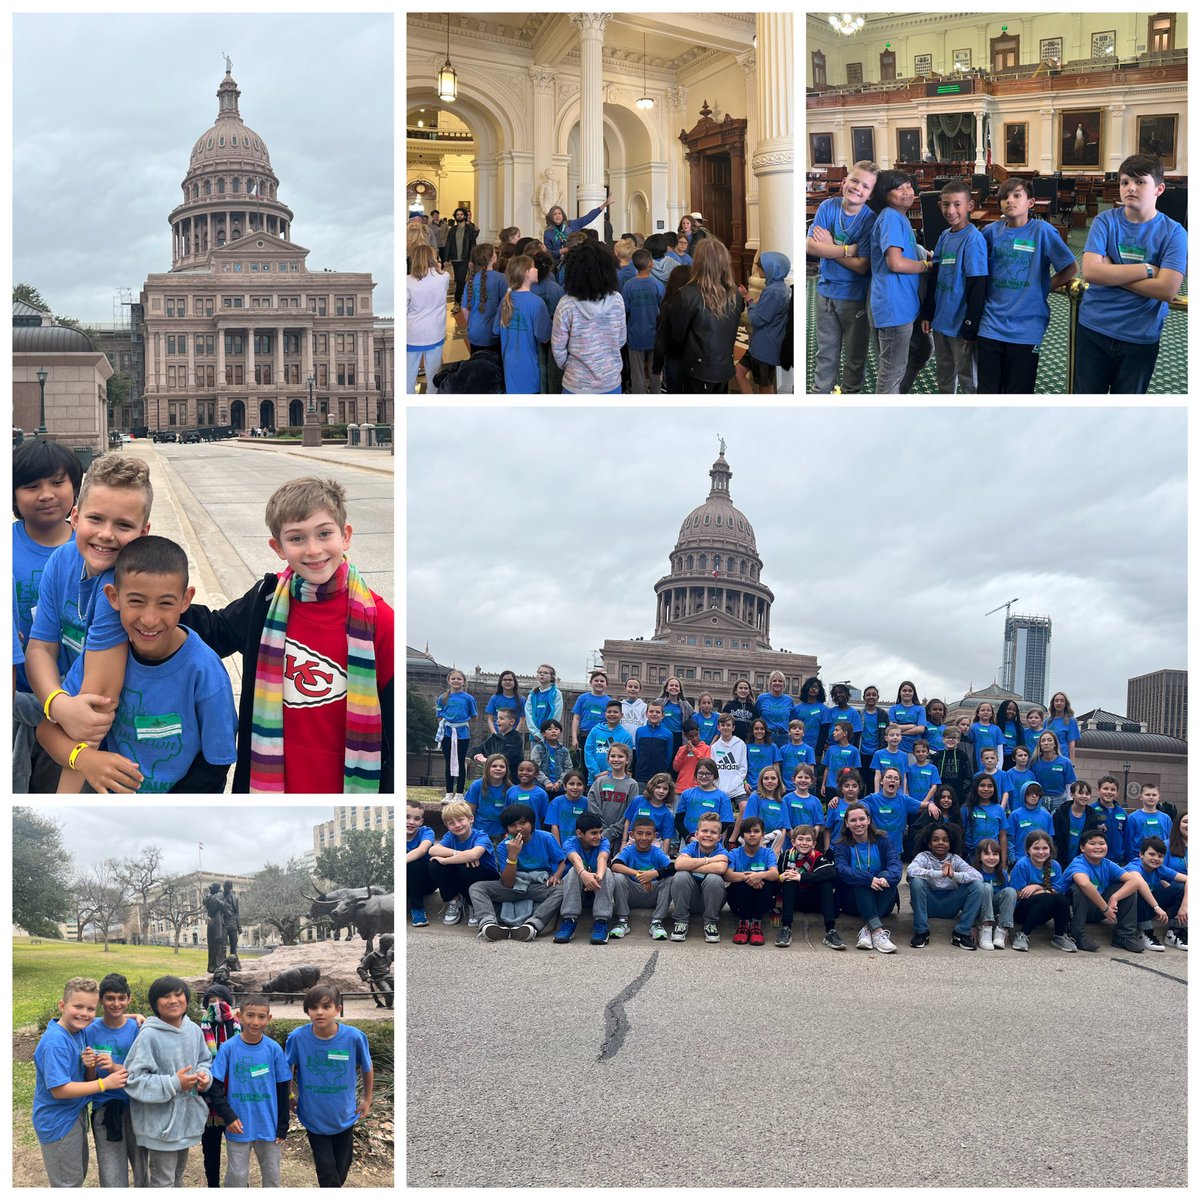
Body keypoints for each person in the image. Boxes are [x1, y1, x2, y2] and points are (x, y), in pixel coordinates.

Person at [179, 477, 393, 793]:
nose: (313, 549)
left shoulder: (379, 620)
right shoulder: (265, 602)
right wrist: (158, 600)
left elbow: (393, 723)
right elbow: (216, 631)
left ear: (345, 536)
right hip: (269, 782)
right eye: (297, 538)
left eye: (324, 534)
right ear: (278, 547)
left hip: (344, 785)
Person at [37, 537, 237, 794]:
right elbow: (46, 731)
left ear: (185, 600)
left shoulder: (204, 670)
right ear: (113, 597)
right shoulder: (100, 658)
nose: (150, 619)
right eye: (136, 601)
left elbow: (217, 761)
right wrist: (84, 759)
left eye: (165, 603)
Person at [25, 455, 154, 793]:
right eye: (95, 519)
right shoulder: (62, 560)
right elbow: (40, 647)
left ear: (144, 533)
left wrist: (66, 794)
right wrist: (57, 702)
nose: (106, 535)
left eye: (123, 525)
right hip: (67, 713)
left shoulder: (124, 589)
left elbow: (96, 710)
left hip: (120, 739)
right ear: (75, 516)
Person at [1076, 153, 1187, 393]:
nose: (1130, 188)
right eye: (1125, 182)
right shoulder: (1104, 221)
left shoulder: (1175, 233)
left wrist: (1110, 272)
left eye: (1140, 182)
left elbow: (1166, 290)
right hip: (1094, 329)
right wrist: (1147, 270)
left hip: (1139, 336)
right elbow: (1091, 272)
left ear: (1159, 189)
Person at [12, 438, 83, 793]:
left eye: (57, 482)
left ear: (75, 488)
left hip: (76, 705)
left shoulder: (93, 548)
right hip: (18, 697)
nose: (46, 495)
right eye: (31, 486)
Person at [124, 975, 234, 1188]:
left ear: (187, 999)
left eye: (178, 995)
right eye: (166, 996)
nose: (173, 1000)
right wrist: (174, 1083)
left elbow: (204, 1060)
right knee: (163, 1180)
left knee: (177, 1175)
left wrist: (204, 1076)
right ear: (155, 1003)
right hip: (160, 1124)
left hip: (185, 1120)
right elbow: (134, 1079)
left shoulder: (193, 1030)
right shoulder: (148, 1036)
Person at [976, 178, 1077, 392]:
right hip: (990, 323)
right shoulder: (991, 232)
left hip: (1026, 327)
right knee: (987, 391)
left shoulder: (1042, 231)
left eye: (1016, 196)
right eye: (1004, 197)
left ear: (1030, 203)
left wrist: (1042, 288)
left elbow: (1070, 267)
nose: (1009, 201)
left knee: (1019, 392)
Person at [35, 977, 127, 1187]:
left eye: (90, 1008)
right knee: (68, 1184)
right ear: (62, 1005)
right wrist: (105, 1084)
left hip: (74, 1116)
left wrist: (134, 1016)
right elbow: (59, 1090)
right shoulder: (55, 1042)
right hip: (58, 1122)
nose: (84, 1013)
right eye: (78, 1007)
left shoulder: (78, 1030)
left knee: (77, 1176)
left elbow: (103, 1019)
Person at [284, 984, 373, 1188]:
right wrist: (289, 1095)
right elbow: (287, 1067)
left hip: (345, 1115)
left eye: (326, 1006)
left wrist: (367, 1099)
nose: (319, 1012)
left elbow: (367, 1067)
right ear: (307, 1010)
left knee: (342, 1165)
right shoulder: (297, 1038)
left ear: (338, 1009)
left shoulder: (354, 1037)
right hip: (313, 1116)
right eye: (314, 1007)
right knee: (326, 1169)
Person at [807, 158, 878, 392]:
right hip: (825, 292)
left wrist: (830, 247)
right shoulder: (828, 206)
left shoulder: (870, 220)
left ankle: (850, 398)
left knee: (855, 357)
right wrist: (848, 250)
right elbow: (811, 247)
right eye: (855, 181)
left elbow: (862, 266)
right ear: (845, 181)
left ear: (870, 194)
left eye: (865, 186)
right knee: (825, 353)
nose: (858, 188)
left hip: (854, 297)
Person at [210, 995, 291, 1188]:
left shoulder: (273, 1049)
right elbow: (214, 1085)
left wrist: (282, 1125)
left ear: (268, 1019)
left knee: (272, 1175)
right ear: (239, 1017)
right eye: (250, 1015)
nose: (255, 1022)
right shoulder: (229, 1048)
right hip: (238, 1124)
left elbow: (282, 1087)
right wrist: (228, 1116)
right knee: (237, 1176)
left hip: (268, 1126)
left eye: (261, 1017)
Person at [917, 179, 987, 393]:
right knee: (944, 373)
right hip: (941, 321)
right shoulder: (944, 236)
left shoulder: (973, 239)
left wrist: (971, 324)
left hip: (961, 324)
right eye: (946, 204)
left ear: (970, 206)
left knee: (968, 378)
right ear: (940, 205)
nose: (951, 210)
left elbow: (978, 285)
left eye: (957, 204)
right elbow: (935, 276)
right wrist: (928, 313)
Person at [867, 170, 931, 393]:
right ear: (884, 194)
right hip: (894, 305)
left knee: (921, 351)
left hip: (906, 303)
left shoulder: (899, 217)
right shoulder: (891, 217)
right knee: (892, 372)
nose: (906, 192)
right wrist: (927, 266)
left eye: (909, 186)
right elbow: (895, 263)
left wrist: (921, 253)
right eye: (898, 188)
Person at [1056, 827, 1167, 953]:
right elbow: (1084, 884)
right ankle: (1076, 934)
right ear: (1082, 848)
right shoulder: (1078, 863)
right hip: (1074, 911)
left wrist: (1115, 897)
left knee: (1127, 887)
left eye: (1102, 843)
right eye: (1092, 844)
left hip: (1097, 910)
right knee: (1080, 887)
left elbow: (1134, 882)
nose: (1098, 847)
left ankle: (1124, 935)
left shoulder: (1107, 864)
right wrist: (1105, 909)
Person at [83, 972, 147, 1187]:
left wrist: (115, 1067)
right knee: (111, 1176)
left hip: (138, 1106)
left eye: (121, 998)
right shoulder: (88, 1030)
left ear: (129, 999)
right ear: (101, 1000)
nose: (116, 1003)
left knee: (143, 1171)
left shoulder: (139, 1029)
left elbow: (146, 1072)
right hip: (105, 1108)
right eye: (110, 998)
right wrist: (90, 1068)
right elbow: (89, 1079)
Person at [471, 803, 566, 942]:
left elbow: (563, 861)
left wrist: (556, 876)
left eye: (523, 823)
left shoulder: (546, 838)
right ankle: (488, 924)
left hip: (539, 885)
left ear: (532, 823)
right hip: (514, 885)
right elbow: (507, 883)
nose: (518, 828)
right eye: (512, 825)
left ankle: (532, 926)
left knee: (562, 890)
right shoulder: (503, 846)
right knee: (477, 888)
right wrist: (512, 856)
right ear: (506, 829)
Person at [661, 237, 745, 393]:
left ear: (698, 262)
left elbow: (676, 336)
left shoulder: (687, 294)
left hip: (697, 368)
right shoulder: (735, 294)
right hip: (724, 365)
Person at [552, 238, 626, 394]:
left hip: (576, 382)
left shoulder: (566, 304)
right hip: (610, 380)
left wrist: (570, 367)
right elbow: (621, 339)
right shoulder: (617, 300)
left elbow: (558, 347)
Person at [833, 802, 902, 953]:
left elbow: (896, 865)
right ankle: (877, 932)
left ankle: (867, 930)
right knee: (861, 881)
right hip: (853, 902)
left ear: (868, 820)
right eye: (853, 820)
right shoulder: (841, 846)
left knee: (886, 875)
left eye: (862, 819)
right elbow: (841, 870)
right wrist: (868, 880)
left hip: (883, 899)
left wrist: (887, 879)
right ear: (847, 823)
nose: (858, 823)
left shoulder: (883, 839)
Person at [906, 824, 988, 950]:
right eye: (936, 840)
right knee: (916, 881)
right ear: (929, 844)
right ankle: (921, 932)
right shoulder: (924, 856)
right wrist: (939, 874)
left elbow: (978, 876)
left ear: (950, 845)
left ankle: (961, 933)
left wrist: (953, 875)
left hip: (950, 905)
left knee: (977, 885)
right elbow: (911, 870)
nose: (940, 843)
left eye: (945, 840)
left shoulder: (955, 859)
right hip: (928, 904)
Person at [428, 798, 499, 927]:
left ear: (471, 819)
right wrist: (459, 853)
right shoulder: (450, 836)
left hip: (486, 878)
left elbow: (474, 855)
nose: (457, 825)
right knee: (435, 864)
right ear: (447, 826)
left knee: (468, 865)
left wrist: (445, 860)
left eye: (460, 820)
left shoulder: (481, 836)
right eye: (451, 823)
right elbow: (433, 850)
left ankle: (474, 904)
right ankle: (454, 900)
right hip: (464, 876)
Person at [775, 824, 844, 949]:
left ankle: (830, 931)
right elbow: (775, 878)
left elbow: (830, 873)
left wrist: (801, 877)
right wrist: (781, 877)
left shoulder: (819, 857)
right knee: (790, 879)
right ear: (793, 842)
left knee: (826, 883)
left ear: (814, 844)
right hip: (793, 901)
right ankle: (786, 928)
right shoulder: (785, 856)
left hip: (815, 901)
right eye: (800, 839)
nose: (804, 843)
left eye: (808, 840)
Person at [552, 811, 616, 944]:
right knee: (573, 872)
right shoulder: (570, 843)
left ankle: (601, 921)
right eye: (594, 833)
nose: (598, 836)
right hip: (577, 892)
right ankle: (569, 920)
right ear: (580, 833)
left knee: (607, 872)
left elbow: (602, 858)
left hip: (598, 889)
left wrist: (597, 878)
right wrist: (584, 875)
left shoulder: (604, 842)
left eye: (600, 832)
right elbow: (575, 859)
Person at [668, 811, 731, 942]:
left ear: (719, 837)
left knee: (714, 878)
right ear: (696, 834)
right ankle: (681, 922)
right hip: (689, 900)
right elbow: (678, 865)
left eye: (713, 832)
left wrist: (690, 865)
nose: (708, 835)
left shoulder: (721, 851)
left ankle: (710, 923)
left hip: (711, 902)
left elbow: (720, 868)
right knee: (681, 876)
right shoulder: (692, 847)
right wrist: (709, 860)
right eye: (704, 831)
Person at [1009, 832, 1076, 952]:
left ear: (1050, 849)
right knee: (1046, 898)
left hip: (1044, 911)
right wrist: (1044, 892)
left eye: (1045, 848)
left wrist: (1036, 888)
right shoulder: (1022, 865)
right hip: (1022, 911)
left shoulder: (1055, 865)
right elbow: (1016, 894)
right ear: (1028, 850)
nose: (1041, 852)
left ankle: (1060, 936)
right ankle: (1023, 934)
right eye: (1036, 848)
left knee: (1061, 899)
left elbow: (1057, 891)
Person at [610, 815, 675, 939]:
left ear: (655, 835)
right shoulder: (629, 850)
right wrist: (640, 875)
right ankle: (622, 921)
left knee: (670, 879)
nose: (644, 838)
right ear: (632, 834)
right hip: (632, 894)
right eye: (639, 833)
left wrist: (653, 874)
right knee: (619, 877)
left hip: (652, 894)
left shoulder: (657, 851)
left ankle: (657, 922)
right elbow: (615, 865)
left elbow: (672, 867)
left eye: (648, 834)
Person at [735, 252, 792, 394]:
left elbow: (756, 320)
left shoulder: (773, 292)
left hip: (765, 348)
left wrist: (750, 302)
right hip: (761, 346)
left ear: (771, 269)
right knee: (739, 372)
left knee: (765, 388)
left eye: (760, 266)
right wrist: (749, 298)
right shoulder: (778, 288)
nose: (757, 268)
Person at [495, 254, 551, 394]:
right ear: (525, 273)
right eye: (533, 267)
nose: (536, 270)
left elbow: (495, 330)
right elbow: (544, 337)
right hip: (529, 367)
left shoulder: (505, 300)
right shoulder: (536, 303)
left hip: (508, 365)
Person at [1123, 835, 1187, 952]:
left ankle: (1174, 931)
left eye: (1160, 856)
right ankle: (1145, 932)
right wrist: (1156, 907)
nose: (1156, 858)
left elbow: (1188, 880)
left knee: (1179, 888)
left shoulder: (1160, 869)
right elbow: (1140, 883)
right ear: (1141, 854)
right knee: (1137, 890)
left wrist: (1184, 906)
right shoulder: (1135, 866)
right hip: (1129, 909)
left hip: (1149, 907)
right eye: (1152, 854)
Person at [723, 817, 780, 945]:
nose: (752, 834)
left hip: (760, 900)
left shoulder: (768, 853)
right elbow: (727, 875)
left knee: (767, 882)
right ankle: (743, 923)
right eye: (748, 832)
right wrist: (750, 877)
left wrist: (760, 876)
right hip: (739, 901)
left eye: (756, 831)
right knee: (742, 883)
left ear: (763, 834)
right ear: (742, 836)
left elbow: (774, 874)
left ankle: (756, 924)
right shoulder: (734, 853)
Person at [406, 242, 451, 394]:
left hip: (412, 333)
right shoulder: (444, 277)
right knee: (434, 373)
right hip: (435, 331)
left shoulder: (407, 281)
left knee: (408, 373)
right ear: (433, 258)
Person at [623, 248, 665, 394]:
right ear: (651, 264)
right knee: (655, 371)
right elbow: (663, 307)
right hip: (654, 334)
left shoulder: (628, 285)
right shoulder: (658, 285)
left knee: (637, 373)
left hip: (635, 333)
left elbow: (625, 309)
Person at [587, 742, 639, 847]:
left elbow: (630, 812)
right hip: (599, 834)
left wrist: (611, 832)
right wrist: (603, 830)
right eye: (613, 756)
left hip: (620, 837)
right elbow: (592, 806)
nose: (616, 759)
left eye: (620, 756)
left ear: (627, 760)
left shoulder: (632, 785)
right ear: (608, 759)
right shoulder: (600, 782)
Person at [434, 669, 476, 800]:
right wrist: (446, 724)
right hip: (447, 733)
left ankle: (459, 793)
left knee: (460, 761)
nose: (456, 681)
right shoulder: (443, 698)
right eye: (453, 679)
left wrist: (461, 723)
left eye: (459, 679)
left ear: (463, 682)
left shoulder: (468, 698)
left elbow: (474, 716)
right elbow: (439, 715)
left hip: (462, 734)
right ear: (449, 681)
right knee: (448, 762)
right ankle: (448, 792)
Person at [652, 263, 693, 392]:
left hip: (674, 357)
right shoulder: (697, 304)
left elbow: (661, 339)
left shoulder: (668, 305)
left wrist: (657, 367)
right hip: (694, 359)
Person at [543, 196, 612, 267]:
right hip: (556, 265)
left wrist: (604, 205)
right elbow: (548, 252)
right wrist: (562, 251)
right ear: (551, 217)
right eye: (554, 214)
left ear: (563, 215)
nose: (557, 216)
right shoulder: (548, 233)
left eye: (559, 213)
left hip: (573, 262)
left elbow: (588, 217)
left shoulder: (572, 224)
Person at [973, 838, 1017, 950]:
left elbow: (1006, 899)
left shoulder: (1002, 873)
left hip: (994, 907)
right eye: (987, 854)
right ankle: (985, 929)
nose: (991, 857)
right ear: (979, 857)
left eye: (995, 854)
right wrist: (971, 925)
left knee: (1010, 891)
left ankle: (1002, 930)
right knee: (986, 887)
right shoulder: (974, 872)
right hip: (978, 908)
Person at [462, 243, 506, 354]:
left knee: (477, 361)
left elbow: (464, 309)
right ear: (493, 258)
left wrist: (470, 324)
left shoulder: (470, 280)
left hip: (474, 331)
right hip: (493, 332)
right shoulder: (501, 279)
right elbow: (505, 306)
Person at [1052, 780, 1102, 868]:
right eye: (1081, 793)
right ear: (1072, 795)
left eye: (1087, 794)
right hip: (1061, 861)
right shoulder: (1059, 814)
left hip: (1082, 863)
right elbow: (1055, 840)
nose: (1084, 796)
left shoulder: (1092, 816)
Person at [570, 669, 612, 774]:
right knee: (585, 764)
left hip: (601, 737)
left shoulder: (609, 701)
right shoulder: (583, 698)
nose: (599, 683)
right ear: (591, 682)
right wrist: (574, 738)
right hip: (585, 735)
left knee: (600, 761)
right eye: (596, 680)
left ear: (606, 684)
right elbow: (576, 718)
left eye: (602, 681)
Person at [584, 700, 635, 786]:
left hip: (616, 779)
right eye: (609, 712)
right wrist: (596, 773)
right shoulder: (595, 731)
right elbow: (588, 753)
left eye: (615, 712)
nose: (612, 714)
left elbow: (627, 758)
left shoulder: (626, 736)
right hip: (594, 778)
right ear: (605, 714)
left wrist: (608, 772)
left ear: (621, 715)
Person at [464, 753, 511, 842]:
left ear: (506, 769)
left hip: (502, 832)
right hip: (479, 831)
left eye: (502, 766)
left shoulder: (510, 788)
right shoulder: (477, 785)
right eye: (494, 766)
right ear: (487, 768)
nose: (498, 768)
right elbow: (469, 811)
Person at [621, 772, 676, 848]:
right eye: (658, 787)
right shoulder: (638, 801)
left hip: (653, 844)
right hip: (633, 841)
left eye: (665, 789)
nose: (661, 791)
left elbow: (667, 838)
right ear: (651, 787)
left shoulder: (667, 814)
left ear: (669, 791)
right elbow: (628, 821)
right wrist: (623, 842)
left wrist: (663, 854)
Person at [1029, 730, 1077, 811]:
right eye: (1043, 741)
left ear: (1055, 744)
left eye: (1049, 740)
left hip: (1060, 801)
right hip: (1040, 801)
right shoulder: (1034, 762)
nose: (1046, 743)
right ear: (1040, 744)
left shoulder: (1065, 762)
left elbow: (1070, 784)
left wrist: (1069, 803)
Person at [473, 706, 524, 782]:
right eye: (497, 718)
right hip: (492, 779)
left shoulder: (516, 738)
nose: (497, 721)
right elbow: (476, 750)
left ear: (511, 722)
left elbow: (512, 758)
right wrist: (477, 756)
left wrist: (488, 760)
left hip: (510, 780)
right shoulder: (494, 738)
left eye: (501, 718)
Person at [1124, 784, 1173, 862]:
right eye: (1147, 794)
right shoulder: (1133, 818)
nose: (1151, 797)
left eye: (1154, 795)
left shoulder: (1166, 818)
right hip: (1139, 860)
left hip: (1161, 860)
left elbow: (1171, 840)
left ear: (1158, 797)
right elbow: (1128, 841)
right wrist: (1131, 860)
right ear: (1141, 797)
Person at [443, 207, 477, 314]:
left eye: (461, 214)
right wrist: (446, 258)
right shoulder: (452, 230)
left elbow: (473, 245)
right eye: (457, 214)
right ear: (455, 216)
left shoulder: (470, 229)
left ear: (465, 216)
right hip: (455, 258)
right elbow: (448, 244)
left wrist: (472, 259)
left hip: (465, 258)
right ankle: (463, 300)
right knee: (459, 280)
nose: (459, 216)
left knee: (460, 280)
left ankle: (457, 302)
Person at [407, 800, 435, 926]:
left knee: (414, 862)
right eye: (407, 817)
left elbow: (422, 850)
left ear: (421, 821)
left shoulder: (426, 832)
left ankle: (418, 910)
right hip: (406, 883)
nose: (411, 822)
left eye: (416, 819)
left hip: (426, 882)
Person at [632, 701, 673, 786]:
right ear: (646, 714)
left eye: (657, 712)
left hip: (659, 776)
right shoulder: (640, 731)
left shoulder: (668, 734)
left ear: (662, 715)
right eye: (651, 711)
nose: (654, 714)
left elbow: (668, 757)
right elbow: (638, 753)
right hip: (641, 775)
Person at [531, 719, 573, 800]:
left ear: (560, 732)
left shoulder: (564, 750)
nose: (553, 731)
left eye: (556, 729)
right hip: (541, 787)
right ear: (543, 733)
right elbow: (535, 768)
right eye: (549, 729)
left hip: (560, 788)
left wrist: (560, 782)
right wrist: (546, 782)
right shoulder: (538, 748)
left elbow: (568, 769)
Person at [524, 663, 563, 747]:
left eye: (545, 673)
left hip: (550, 736)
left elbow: (557, 714)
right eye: (540, 672)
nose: (542, 674)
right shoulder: (532, 694)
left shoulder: (556, 693)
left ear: (552, 677)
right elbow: (528, 714)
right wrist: (535, 732)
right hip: (535, 737)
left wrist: (548, 731)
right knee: (535, 755)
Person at [546, 768, 589, 843]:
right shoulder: (556, 802)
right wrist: (558, 848)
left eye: (579, 784)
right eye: (571, 784)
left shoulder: (587, 802)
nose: (575, 787)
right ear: (564, 786)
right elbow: (554, 826)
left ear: (584, 787)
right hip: (562, 844)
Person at [507, 759, 550, 829]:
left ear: (536, 774)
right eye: (521, 770)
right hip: (514, 831)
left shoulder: (541, 794)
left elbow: (544, 817)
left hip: (534, 831)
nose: (524, 772)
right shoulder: (510, 791)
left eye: (529, 770)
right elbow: (507, 814)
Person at [672, 719, 713, 793]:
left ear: (699, 731)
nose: (695, 738)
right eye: (691, 736)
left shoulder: (706, 748)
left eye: (696, 734)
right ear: (685, 735)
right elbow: (675, 768)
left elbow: (707, 765)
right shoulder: (682, 749)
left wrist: (694, 750)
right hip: (680, 788)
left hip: (698, 789)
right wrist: (684, 752)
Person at [484, 669, 523, 736]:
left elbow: (522, 720)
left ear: (515, 682)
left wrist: (514, 735)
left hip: (513, 736)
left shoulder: (521, 700)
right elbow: (490, 719)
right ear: (500, 682)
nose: (507, 682)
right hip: (497, 734)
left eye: (510, 680)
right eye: (505, 680)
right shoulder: (494, 698)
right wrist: (494, 734)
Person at [1045, 692, 1081, 762]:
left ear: (1065, 703)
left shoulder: (1071, 720)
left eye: (1062, 701)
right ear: (1053, 703)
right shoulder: (1047, 721)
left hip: (1062, 758)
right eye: (1056, 701)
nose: (1059, 703)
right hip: (1047, 758)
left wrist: (1072, 763)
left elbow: (1071, 744)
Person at [722, 678, 755, 743]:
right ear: (735, 691)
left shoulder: (753, 709)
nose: (743, 690)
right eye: (740, 688)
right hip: (731, 741)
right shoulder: (728, 707)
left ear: (749, 691)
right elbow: (723, 724)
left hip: (748, 742)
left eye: (746, 688)